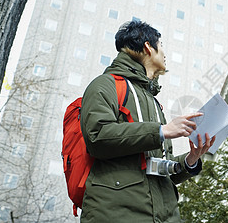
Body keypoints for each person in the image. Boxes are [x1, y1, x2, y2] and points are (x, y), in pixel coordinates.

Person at [80, 20, 215, 222]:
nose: (165, 54)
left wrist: (191, 160)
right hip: (116, 214)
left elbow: (154, 168)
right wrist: (161, 131)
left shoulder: (153, 102)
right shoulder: (105, 84)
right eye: (161, 47)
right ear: (148, 47)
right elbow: (97, 137)